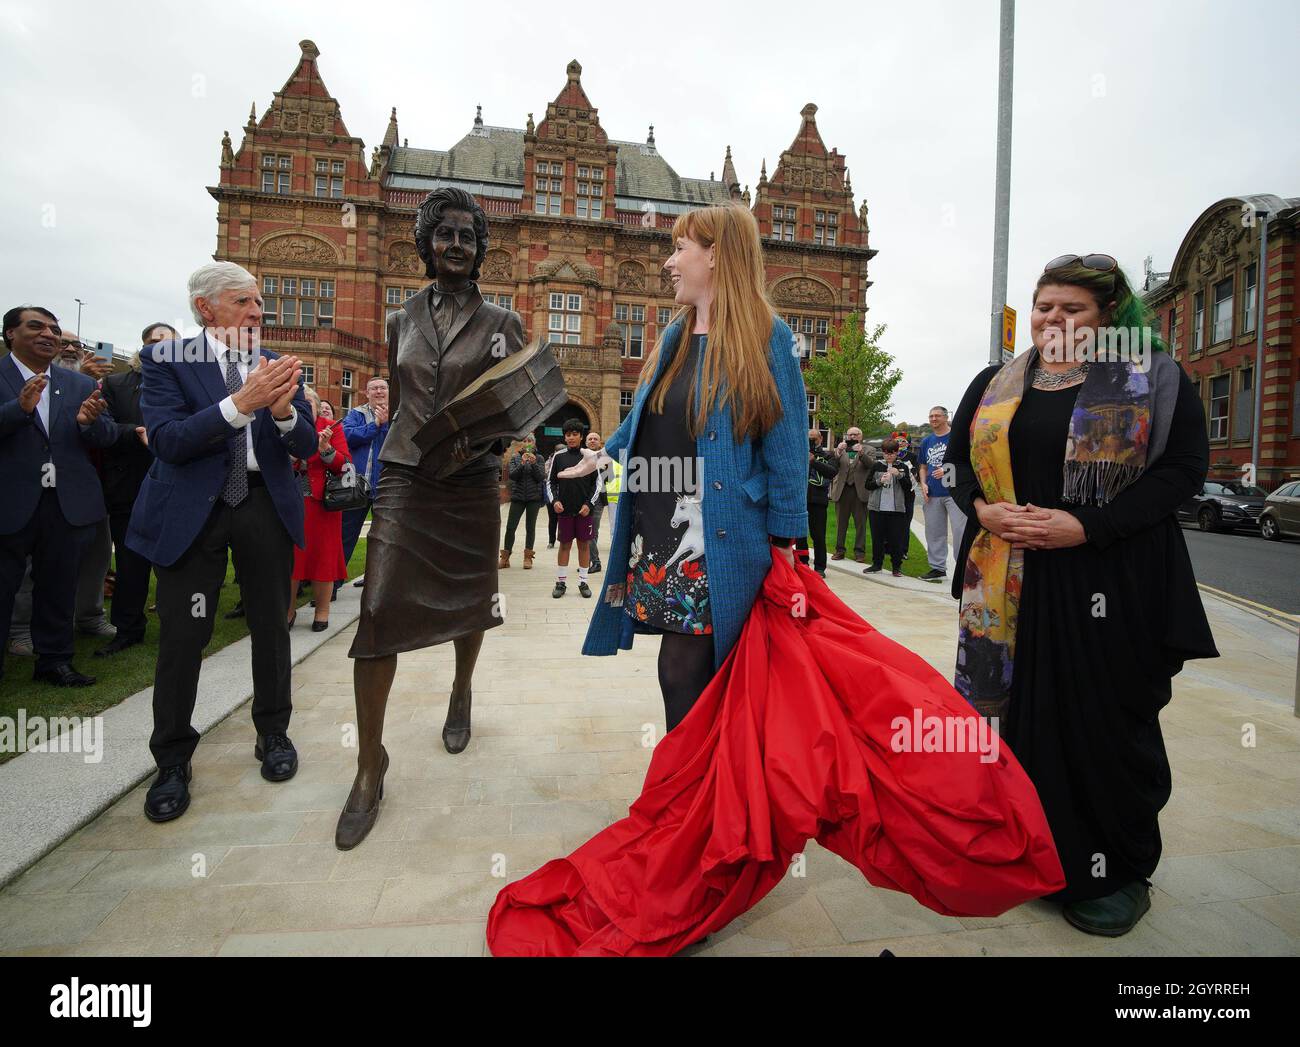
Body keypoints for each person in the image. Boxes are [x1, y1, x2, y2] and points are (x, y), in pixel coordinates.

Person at [487, 204, 1067, 955]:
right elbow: (645, 424)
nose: (669, 262)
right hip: (661, 540)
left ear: (717, 258)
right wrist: (599, 455)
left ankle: (701, 828)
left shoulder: (767, 341)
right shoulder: (669, 337)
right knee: (685, 679)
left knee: (692, 671)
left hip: (723, 540)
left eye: (681, 249)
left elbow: (789, 449)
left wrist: (788, 550)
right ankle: (693, 815)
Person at [944, 253, 1220, 936]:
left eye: (1074, 309)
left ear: (1107, 320)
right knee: (1030, 719)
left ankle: (1119, 871)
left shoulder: (1152, 376)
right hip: (1012, 580)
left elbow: (1183, 472)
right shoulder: (995, 382)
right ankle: (1051, 857)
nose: (1054, 320)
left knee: (1106, 722)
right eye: (1044, 307)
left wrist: (1087, 525)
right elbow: (953, 462)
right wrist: (982, 509)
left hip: (1110, 577)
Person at [336, 187, 525, 850]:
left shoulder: (506, 322)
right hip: (407, 474)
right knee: (379, 607)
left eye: (466, 237)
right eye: (442, 234)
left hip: (471, 481)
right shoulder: (400, 320)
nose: (454, 245)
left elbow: (517, 404)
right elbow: (405, 393)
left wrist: (489, 444)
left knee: (474, 599)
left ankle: (461, 689)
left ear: (479, 249)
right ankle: (368, 765)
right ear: (425, 243)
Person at [128, 261, 315, 823]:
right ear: (205, 308)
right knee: (184, 638)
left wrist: (283, 415)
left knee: (271, 628)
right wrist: (242, 404)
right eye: (243, 302)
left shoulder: (275, 365)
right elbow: (167, 441)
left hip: (263, 505)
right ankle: (172, 762)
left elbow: (305, 444)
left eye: (259, 302)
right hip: (195, 509)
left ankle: (274, 734)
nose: (257, 312)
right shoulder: (166, 360)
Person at [0, 306, 116, 687]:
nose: (48, 334)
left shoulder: (80, 384)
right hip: (11, 501)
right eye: (36, 327)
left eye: (53, 328)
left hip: (67, 503)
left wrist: (89, 424)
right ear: (10, 334)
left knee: (59, 586)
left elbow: (106, 436)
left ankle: (55, 661)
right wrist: (18, 410)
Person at [94, 323, 177, 656]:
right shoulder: (115, 384)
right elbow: (102, 428)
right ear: (141, 348)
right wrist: (136, 432)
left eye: (167, 343)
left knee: (177, 564)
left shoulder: (187, 384)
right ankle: (128, 628)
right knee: (130, 564)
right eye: (152, 342)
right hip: (129, 487)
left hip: (174, 488)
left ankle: (180, 626)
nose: (158, 347)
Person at [289, 386, 350, 631]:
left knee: (323, 559)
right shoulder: (285, 423)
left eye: (308, 405)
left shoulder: (331, 426)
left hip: (323, 504)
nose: (303, 409)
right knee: (290, 561)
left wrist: (326, 451)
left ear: (315, 405)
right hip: (292, 501)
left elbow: (345, 465)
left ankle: (322, 612)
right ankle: (288, 610)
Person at [341, 377, 389, 584]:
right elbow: (348, 436)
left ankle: (373, 579)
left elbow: (396, 442)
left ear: (388, 391)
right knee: (345, 536)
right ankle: (332, 584)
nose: (378, 391)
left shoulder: (397, 414)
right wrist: (375, 425)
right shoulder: (356, 414)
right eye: (374, 388)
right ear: (366, 393)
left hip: (385, 486)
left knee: (382, 539)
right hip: (356, 485)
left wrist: (384, 425)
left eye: (382, 388)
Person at [545, 420, 599, 599]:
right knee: (565, 546)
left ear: (581, 436)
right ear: (565, 437)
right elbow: (550, 481)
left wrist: (589, 504)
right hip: (565, 511)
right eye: (568, 434)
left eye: (575, 434)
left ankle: (583, 582)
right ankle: (561, 583)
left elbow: (597, 484)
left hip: (584, 511)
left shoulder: (591, 456)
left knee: (584, 546)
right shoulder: (559, 457)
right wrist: (555, 501)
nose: (571, 437)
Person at [917, 405, 965, 583]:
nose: (933, 419)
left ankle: (963, 568)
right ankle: (937, 568)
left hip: (955, 492)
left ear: (946, 417)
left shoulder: (957, 437)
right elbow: (922, 466)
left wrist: (947, 470)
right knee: (934, 532)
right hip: (933, 493)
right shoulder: (927, 441)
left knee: (960, 531)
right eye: (931, 416)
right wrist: (923, 483)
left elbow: (966, 462)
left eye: (937, 416)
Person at [863, 437, 914, 577]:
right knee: (877, 538)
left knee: (896, 540)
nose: (889, 455)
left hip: (896, 510)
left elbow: (910, 488)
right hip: (877, 509)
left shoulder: (903, 466)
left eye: (891, 453)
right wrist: (879, 481)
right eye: (886, 453)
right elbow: (867, 485)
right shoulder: (877, 465)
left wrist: (900, 476)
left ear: (897, 452)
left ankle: (896, 567)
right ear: (882, 452)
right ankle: (876, 564)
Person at [796, 428, 837, 576]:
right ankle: (802, 564)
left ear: (821, 439)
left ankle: (820, 567)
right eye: (809, 439)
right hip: (801, 500)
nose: (812, 441)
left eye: (814, 438)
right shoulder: (799, 454)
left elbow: (832, 472)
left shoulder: (828, 455)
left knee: (818, 535)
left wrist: (813, 461)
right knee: (800, 535)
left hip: (818, 501)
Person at [829, 426, 872, 562]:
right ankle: (839, 550)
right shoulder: (840, 449)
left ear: (861, 436)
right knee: (841, 523)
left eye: (855, 434)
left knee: (860, 524)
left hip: (859, 491)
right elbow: (832, 466)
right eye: (850, 435)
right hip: (842, 490)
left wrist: (861, 454)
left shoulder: (869, 449)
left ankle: (859, 552)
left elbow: (872, 466)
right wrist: (838, 451)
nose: (852, 437)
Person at [500, 438, 545, 569]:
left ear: (534, 443)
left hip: (533, 498)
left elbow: (541, 477)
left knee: (530, 528)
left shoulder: (540, 458)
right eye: (525, 441)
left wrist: (534, 463)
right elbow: (513, 476)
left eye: (529, 441)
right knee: (510, 527)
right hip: (518, 497)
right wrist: (522, 463)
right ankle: (505, 557)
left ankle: (528, 557)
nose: (527, 443)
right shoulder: (515, 457)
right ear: (522, 444)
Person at [584, 430, 608, 573]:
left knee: (592, 531)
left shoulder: (605, 458)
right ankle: (588, 559)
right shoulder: (582, 457)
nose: (592, 441)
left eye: (595, 439)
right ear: (586, 442)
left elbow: (609, 479)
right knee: (589, 531)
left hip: (598, 499)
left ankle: (595, 561)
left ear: (599, 443)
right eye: (590, 439)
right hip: (583, 500)